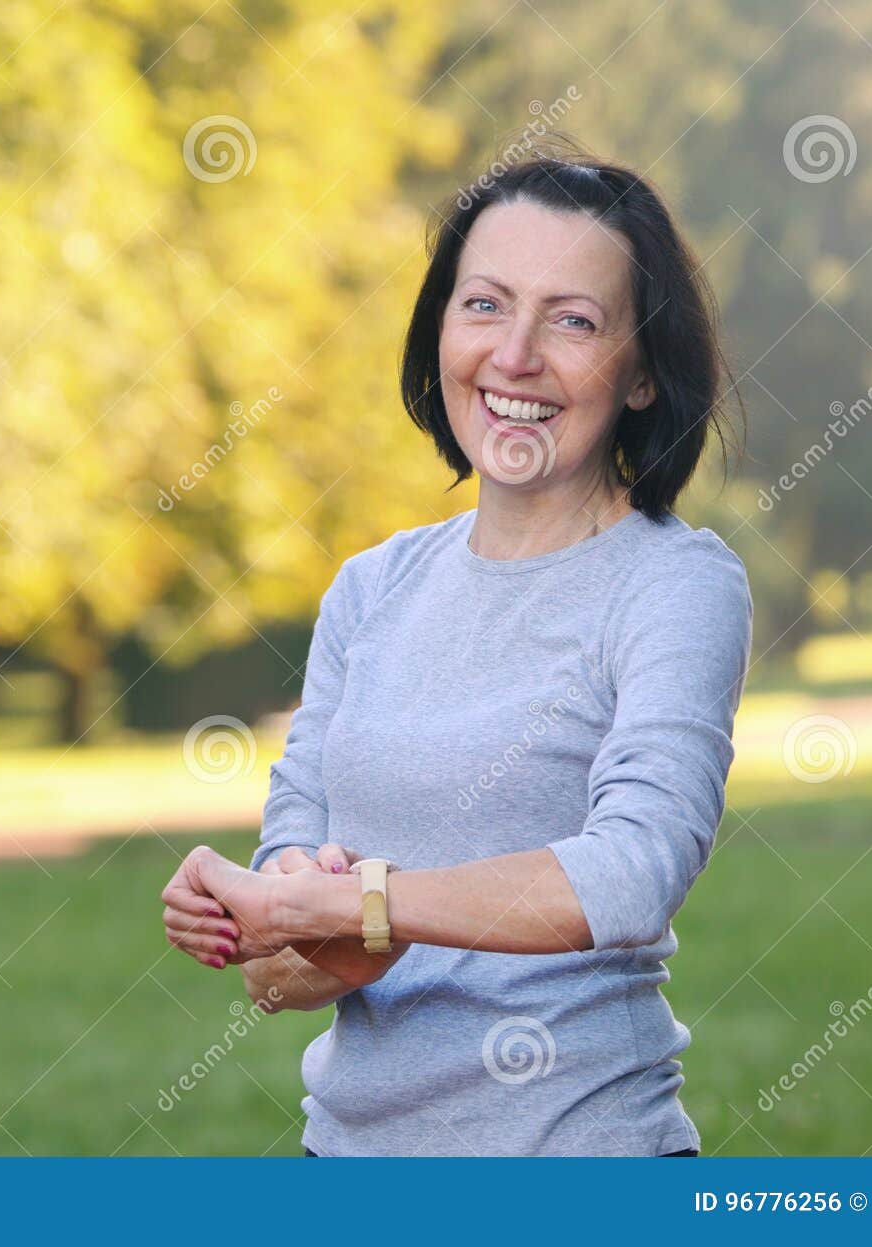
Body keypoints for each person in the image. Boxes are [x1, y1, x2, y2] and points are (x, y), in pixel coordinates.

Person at [161, 148, 750, 1157]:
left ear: (645, 370)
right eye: (483, 304)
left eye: (573, 320)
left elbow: (632, 870)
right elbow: (279, 975)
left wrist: (366, 900)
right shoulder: (370, 589)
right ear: (441, 330)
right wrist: (275, 917)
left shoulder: (674, 584)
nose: (514, 355)